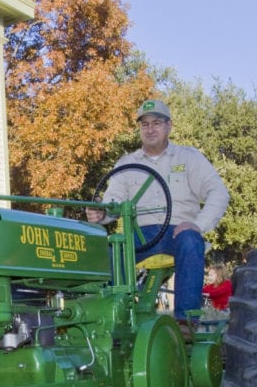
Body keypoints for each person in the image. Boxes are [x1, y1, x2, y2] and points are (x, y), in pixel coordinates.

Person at [87, 99, 230, 324]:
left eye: (156, 123)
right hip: (139, 236)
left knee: (192, 241)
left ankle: (186, 321)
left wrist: (198, 225)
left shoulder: (188, 158)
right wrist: (101, 215)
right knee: (111, 249)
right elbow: (112, 203)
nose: (150, 129)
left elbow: (219, 193)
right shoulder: (127, 163)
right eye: (145, 124)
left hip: (179, 233)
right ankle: (117, 319)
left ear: (169, 126)